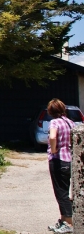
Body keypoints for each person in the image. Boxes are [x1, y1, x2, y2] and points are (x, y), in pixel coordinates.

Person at [47, 98, 74, 233]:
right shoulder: (70, 123)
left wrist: (53, 150)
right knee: (65, 189)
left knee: (60, 192)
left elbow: (52, 137)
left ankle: (68, 223)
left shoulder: (54, 122)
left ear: (51, 111)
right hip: (69, 160)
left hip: (58, 160)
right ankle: (63, 219)